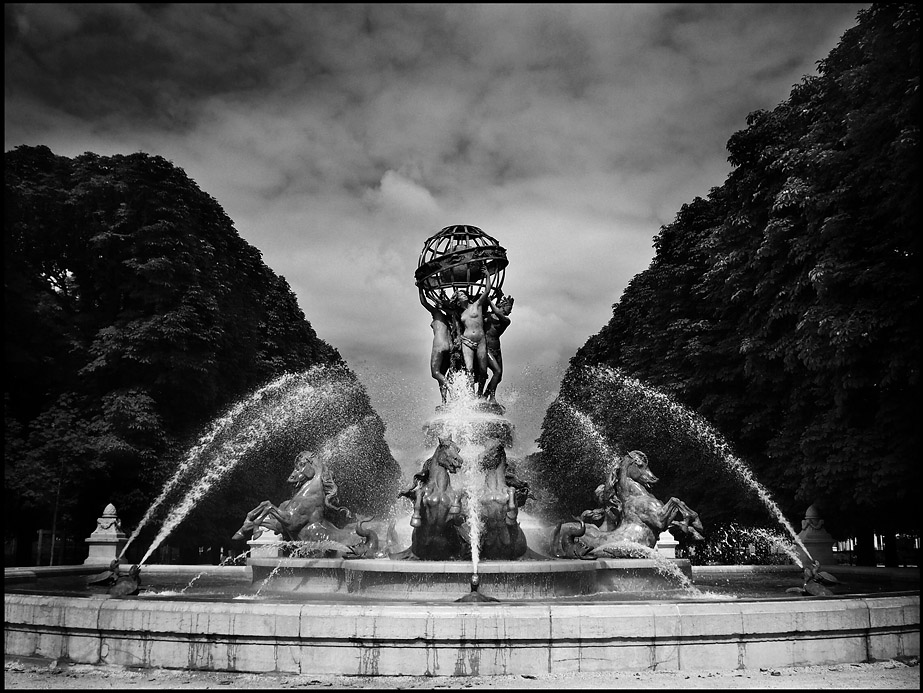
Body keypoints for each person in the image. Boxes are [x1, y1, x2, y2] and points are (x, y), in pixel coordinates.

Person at [451, 262, 493, 395]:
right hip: (466, 340)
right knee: (468, 369)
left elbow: (487, 290)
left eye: (464, 294)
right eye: (460, 295)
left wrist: (487, 276)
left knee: (483, 369)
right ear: (458, 301)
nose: (463, 295)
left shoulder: (477, 304)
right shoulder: (460, 314)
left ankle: (479, 394)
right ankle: (470, 394)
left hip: (480, 340)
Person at [420, 291, 453, 402]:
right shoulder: (452, 317)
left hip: (439, 345)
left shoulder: (437, 314)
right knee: (442, 375)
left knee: (435, 373)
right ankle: (444, 401)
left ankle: (451, 389)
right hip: (450, 347)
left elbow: (424, 303)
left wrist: (419, 289)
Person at [483, 293, 513, 400]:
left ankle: (485, 394)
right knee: (497, 371)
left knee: (499, 377)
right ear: (503, 306)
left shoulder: (506, 321)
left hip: (497, 350)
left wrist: (489, 300)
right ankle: (491, 397)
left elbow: (497, 312)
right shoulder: (486, 316)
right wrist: (495, 298)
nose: (510, 311)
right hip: (486, 349)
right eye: (509, 308)